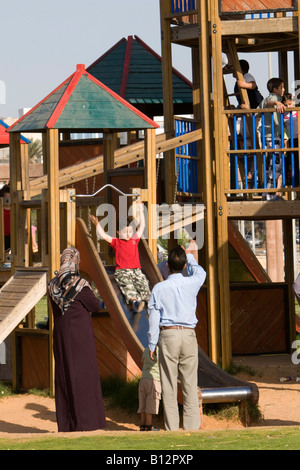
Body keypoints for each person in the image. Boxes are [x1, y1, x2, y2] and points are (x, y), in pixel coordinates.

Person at [147, 246, 206, 431]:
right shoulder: (193, 281)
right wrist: (190, 255)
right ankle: (192, 427)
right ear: (184, 266)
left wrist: (151, 343)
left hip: (168, 334)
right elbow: (200, 271)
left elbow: (154, 318)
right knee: (190, 382)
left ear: (167, 265)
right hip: (188, 334)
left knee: (169, 383)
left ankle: (172, 428)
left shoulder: (159, 288)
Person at [48, 246, 106, 432]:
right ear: (75, 262)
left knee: (65, 376)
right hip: (81, 338)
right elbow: (95, 306)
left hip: (62, 337)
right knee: (84, 377)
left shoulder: (52, 284)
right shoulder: (80, 285)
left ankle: (67, 424)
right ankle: (86, 423)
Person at [90, 201, 151, 313]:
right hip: (123, 271)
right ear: (118, 232)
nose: (128, 234)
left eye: (130, 231)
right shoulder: (116, 242)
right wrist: (97, 224)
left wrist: (141, 211)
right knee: (127, 285)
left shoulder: (134, 239)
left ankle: (148, 299)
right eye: (125, 232)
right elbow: (103, 235)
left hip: (136, 270)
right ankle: (134, 301)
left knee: (143, 282)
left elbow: (142, 226)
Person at [258, 77, 286, 200]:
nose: (284, 90)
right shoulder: (273, 98)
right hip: (273, 136)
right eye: (282, 87)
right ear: (275, 89)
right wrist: (277, 103)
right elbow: (270, 102)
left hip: (268, 136)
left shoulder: (266, 99)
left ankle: (267, 194)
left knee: (270, 166)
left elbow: (258, 110)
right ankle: (270, 195)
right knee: (275, 165)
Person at [137, 346, 161, 431]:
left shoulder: (146, 349)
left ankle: (142, 425)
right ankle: (148, 425)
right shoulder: (159, 350)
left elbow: (143, 361)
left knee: (142, 404)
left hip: (143, 379)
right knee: (151, 404)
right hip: (154, 379)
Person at [282, 93, 299, 187]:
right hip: (290, 141)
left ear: (293, 102)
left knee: (297, 164)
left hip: (298, 140)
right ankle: (296, 188)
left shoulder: (297, 112)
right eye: (285, 105)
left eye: (289, 104)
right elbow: (284, 129)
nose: (288, 106)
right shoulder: (283, 115)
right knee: (293, 165)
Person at [0, 184, 11, 252]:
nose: (9, 201)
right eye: (6, 200)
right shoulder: (1, 209)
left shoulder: (14, 210)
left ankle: (6, 262)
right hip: (1, 234)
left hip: (11, 235)